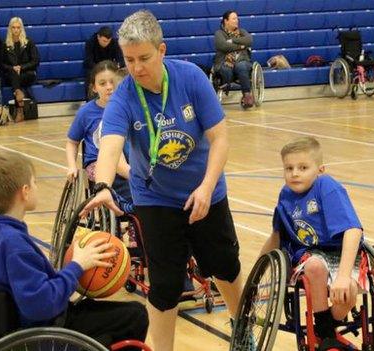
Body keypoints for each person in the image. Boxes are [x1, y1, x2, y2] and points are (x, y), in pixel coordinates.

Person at [80, 11, 244, 351]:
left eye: (144, 58)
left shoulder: (191, 78)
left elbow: (221, 140)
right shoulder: (124, 96)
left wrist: (207, 186)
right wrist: (103, 186)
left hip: (206, 190)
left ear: (162, 50)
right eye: (129, 60)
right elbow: (110, 145)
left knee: (225, 267)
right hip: (155, 198)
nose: (137, 67)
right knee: (166, 284)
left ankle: (241, 328)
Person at [0, 152, 148, 348]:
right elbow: (41, 304)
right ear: (25, 191)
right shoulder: (13, 244)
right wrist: (77, 266)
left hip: (17, 331)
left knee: (108, 312)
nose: (37, 187)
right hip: (39, 335)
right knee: (135, 315)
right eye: (34, 182)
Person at [259, 137, 364, 351]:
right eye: (289, 168)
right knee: (315, 266)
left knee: (348, 291)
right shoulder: (285, 195)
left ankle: (325, 328)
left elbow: (353, 230)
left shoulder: (326, 186)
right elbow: (276, 237)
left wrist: (343, 276)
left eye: (303, 167)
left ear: (320, 170)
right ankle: (325, 334)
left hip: (341, 252)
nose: (295, 173)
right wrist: (258, 271)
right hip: (310, 256)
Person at [66, 60, 131, 201]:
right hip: (97, 162)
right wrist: (72, 166)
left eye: (112, 82)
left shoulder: (128, 107)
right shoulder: (86, 112)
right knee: (118, 174)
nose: (109, 87)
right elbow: (72, 142)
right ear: (94, 88)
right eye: (102, 83)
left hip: (125, 159)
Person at [1, 17, 40, 122]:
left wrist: (21, 67)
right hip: (11, 75)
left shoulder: (28, 42)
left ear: (22, 29)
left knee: (16, 76)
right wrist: (12, 68)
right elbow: (1, 64)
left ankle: (19, 108)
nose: (16, 30)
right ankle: (19, 101)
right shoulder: (5, 45)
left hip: (27, 74)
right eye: (13, 28)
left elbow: (35, 61)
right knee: (14, 74)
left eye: (18, 27)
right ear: (10, 29)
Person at [214, 10, 254, 108]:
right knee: (226, 69)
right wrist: (240, 46)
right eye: (234, 18)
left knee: (241, 66)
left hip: (242, 60)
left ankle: (247, 95)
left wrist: (232, 40)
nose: (237, 20)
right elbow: (223, 46)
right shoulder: (219, 33)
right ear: (226, 21)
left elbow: (249, 40)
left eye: (237, 18)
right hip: (225, 62)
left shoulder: (242, 31)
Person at [83, 26, 124, 98]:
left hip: (109, 67)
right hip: (94, 67)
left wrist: (117, 65)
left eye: (108, 41)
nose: (106, 43)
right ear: (98, 37)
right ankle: (90, 99)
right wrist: (99, 70)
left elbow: (120, 60)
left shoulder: (114, 42)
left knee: (121, 74)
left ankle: (118, 98)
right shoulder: (90, 42)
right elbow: (88, 61)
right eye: (104, 41)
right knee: (89, 77)